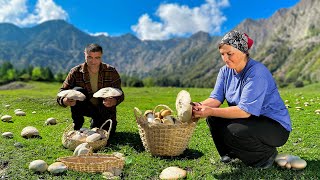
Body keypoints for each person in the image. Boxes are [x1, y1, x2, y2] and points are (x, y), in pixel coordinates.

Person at [192, 30, 291, 169]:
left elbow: (244, 111)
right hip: (251, 120)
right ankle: (229, 153)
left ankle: (265, 157)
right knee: (213, 118)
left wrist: (210, 110)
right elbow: (215, 98)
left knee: (235, 129)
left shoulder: (257, 72)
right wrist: (198, 106)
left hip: (275, 126)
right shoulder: (225, 71)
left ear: (243, 51)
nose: (225, 58)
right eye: (222, 54)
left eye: (229, 54)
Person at [57, 43, 124, 138]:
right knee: (77, 90)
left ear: (101, 56)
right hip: (85, 106)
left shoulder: (111, 71)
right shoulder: (75, 72)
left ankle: (96, 121)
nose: (93, 61)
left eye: (97, 58)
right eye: (89, 57)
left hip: (104, 109)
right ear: (84, 54)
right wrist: (64, 101)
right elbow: (62, 92)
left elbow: (120, 94)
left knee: (104, 136)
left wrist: (114, 101)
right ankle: (77, 126)